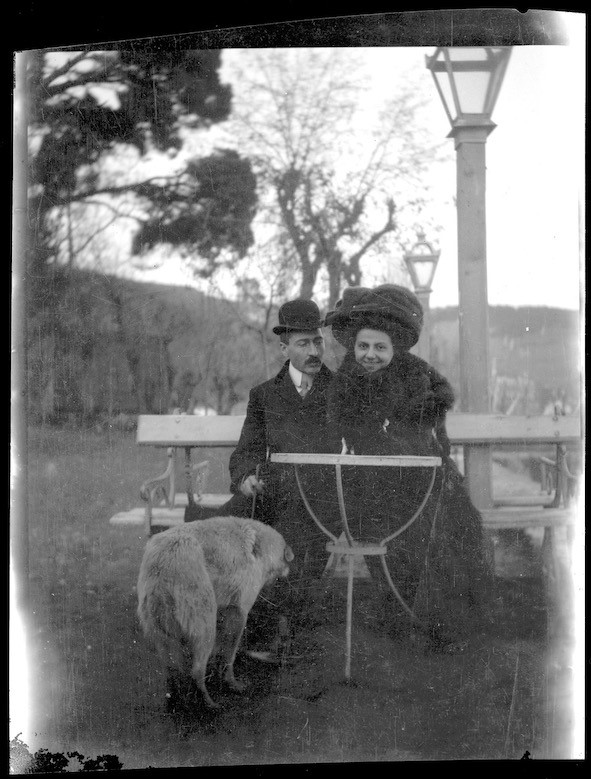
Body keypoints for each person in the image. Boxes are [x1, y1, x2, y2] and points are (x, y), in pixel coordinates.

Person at [324, 284, 493, 651]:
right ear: (354, 347)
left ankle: (446, 622)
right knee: (397, 541)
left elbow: (433, 415)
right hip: (372, 483)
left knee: (448, 532)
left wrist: (414, 426)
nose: (370, 355)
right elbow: (344, 430)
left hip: (422, 476)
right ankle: (402, 616)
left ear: (394, 349)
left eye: (380, 348)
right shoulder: (347, 383)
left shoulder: (414, 375)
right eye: (363, 347)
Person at [187, 298, 338, 653]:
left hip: (322, 498)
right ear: (284, 348)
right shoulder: (265, 395)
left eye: (318, 342)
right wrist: (245, 478)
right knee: (221, 529)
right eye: (304, 343)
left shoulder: (341, 392)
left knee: (287, 543)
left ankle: (277, 632)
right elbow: (247, 451)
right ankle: (220, 623)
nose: (314, 351)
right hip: (272, 491)